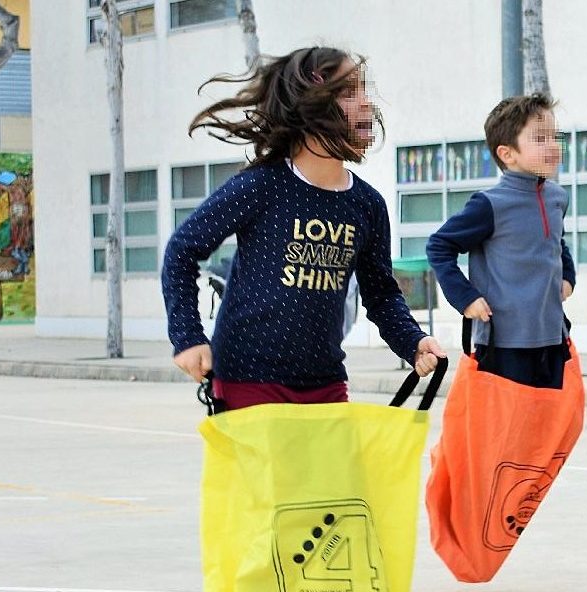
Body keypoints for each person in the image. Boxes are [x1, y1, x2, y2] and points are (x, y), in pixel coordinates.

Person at [160, 47, 443, 412]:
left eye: (364, 90)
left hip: (325, 382)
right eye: (348, 92)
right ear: (310, 103)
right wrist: (187, 336)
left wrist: (412, 342)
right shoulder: (262, 186)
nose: (366, 103)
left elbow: (381, 293)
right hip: (248, 379)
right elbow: (182, 250)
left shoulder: (366, 204)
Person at [425, 94, 576, 389]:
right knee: (506, 421)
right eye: (540, 138)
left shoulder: (557, 197)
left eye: (555, 136)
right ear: (507, 154)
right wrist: (465, 298)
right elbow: (439, 246)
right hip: (503, 344)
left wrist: (568, 276)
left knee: (551, 419)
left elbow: (557, 240)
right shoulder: (489, 204)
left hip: (553, 337)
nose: (552, 145)